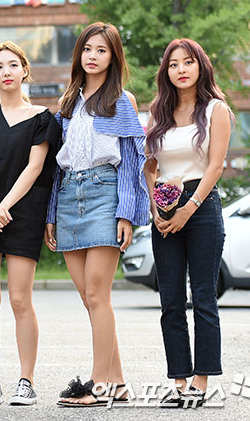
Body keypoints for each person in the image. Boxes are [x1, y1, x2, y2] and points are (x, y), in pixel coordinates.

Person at [43, 22, 149, 407]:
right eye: (87, 49)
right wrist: (51, 214)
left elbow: (133, 162)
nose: (93, 56)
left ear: (113, 57)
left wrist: (127, 213)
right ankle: (117, 382)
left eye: (101, 50)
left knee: (97, 294)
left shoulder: (122, 100)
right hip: (69, 195)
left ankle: (98, 385)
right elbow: (56, 166)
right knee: (89, 299)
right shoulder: (67, 102)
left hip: (106, 193)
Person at [0, 41, 60, 405]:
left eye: (13, 65)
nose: (6, 71)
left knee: (20, 299)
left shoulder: (42, 118)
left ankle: (26, 381)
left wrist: (3, 208)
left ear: (24, 70)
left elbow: (35, 168)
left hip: (23, 214)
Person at [144, 38, 232, 407]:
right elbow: (150, 166)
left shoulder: (215, 110)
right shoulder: (158, 113)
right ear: (166, 71)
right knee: (170, 301)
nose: (181, 69)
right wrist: (157, 209)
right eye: (174, 64)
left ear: (200, 66)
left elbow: (216, 166)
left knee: (204, 298)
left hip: (202, 206)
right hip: (165, 205)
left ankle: (201, 382)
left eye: (188, 62)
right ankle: (179, 382)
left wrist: (188, 209)